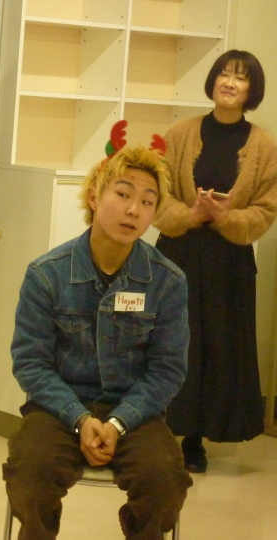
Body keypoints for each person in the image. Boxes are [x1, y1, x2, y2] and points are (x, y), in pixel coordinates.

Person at [3, 141, 193, 540]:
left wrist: (118, 423)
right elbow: (31, 363)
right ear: (94, 196)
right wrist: (80, 418)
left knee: (164, 480)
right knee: (30, 473)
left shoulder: (168, 281)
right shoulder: (46, 274)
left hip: (136, 413)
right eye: (123, 194)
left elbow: (167, 369)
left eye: (147, 201)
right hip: (58, 410)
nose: (133, 210)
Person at [153, 50, 277, 473]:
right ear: (212, 81)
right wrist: (190, 214)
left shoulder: (264, 145)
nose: (230, 82)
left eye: (240, 77)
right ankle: (154, 429)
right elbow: (158, 194)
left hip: (230, 260)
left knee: (219, 347)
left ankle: (195, 440)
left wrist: (227, 217)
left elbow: (266, 209)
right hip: (179, 253)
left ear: (252, 90)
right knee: (172, 341)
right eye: (224, 74)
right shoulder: (180, 133)